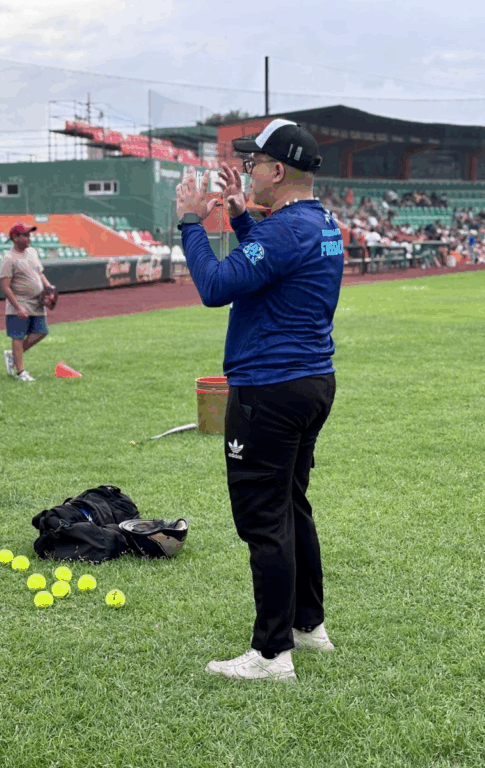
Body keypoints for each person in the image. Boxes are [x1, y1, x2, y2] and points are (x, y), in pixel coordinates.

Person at [176, 118, 342, 683]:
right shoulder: (319, 221)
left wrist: (191, 222)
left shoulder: (285, 230)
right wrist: (242, 218)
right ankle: (307, 624)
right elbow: (273, 264)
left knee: (265, 519)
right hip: (310, 381)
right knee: (292, 506)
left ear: (276, 170)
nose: (247, 171)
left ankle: (272, 654)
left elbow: (215, 286)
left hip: (269, 388)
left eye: (254, 163)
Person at [0, 223, 56, 382]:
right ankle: (21, 372)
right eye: (26, 235)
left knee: (42, 331)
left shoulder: (32, 252)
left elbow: (40, 273)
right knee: (18, 337)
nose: (29, 238)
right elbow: (5, 286)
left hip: (37, 303)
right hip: (20, 303)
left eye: (29, 235)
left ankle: (13, 355)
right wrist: (18, 307)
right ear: (15, 237)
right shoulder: (8, 259)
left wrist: (49, 288)